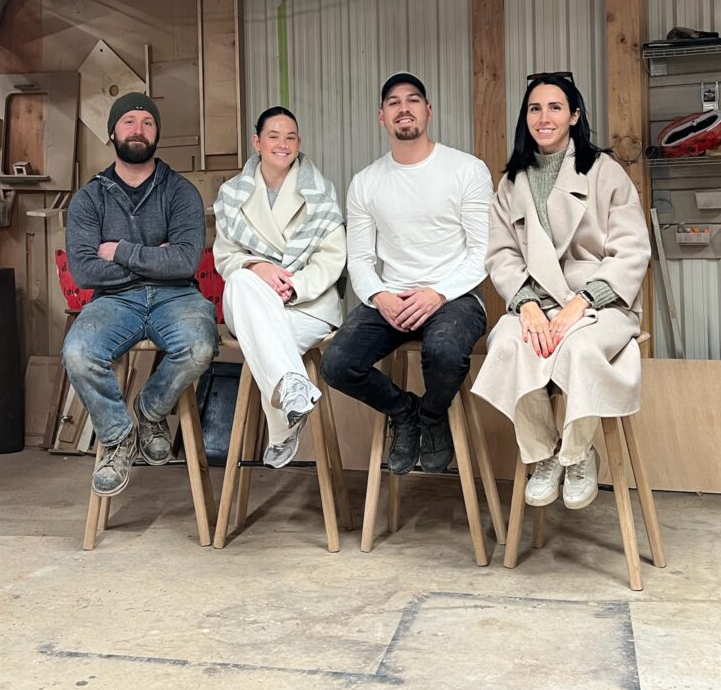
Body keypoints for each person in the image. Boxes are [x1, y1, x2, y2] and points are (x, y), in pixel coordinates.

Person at [471, 73, 650, 510]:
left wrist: (583, 301)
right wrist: (525, 304)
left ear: (574, 115)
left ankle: (577, 454)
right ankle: (545, 452)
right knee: (508, 342)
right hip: (537, 300)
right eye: (535, 108)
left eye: (555, 107)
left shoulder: (604, 172)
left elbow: (631, 250)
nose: (544, 117)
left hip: (603, 301)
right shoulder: (512, 182)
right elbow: (501, 254)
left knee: (578, 347)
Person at [321, 73, 492, 475]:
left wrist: (438, 293)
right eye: (394, 102)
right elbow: (360, 259)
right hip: (392, 296)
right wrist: (380, 296)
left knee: (444, 351)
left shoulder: (467, 170)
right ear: (382, 117)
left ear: (428, 111)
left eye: (413, 100)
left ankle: (433, 416)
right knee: (337, 364)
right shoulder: (366, 182)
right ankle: (406, 412)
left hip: (454, 296)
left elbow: (483, 251)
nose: (404, 108)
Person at [62, 92, 218, 496]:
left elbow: (184, 262)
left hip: (177, 297)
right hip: (114, 300)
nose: (138, 129)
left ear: (157, 133)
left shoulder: (180, 192)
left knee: (200, 347)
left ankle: (150, 410)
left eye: (147, 122)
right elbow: (85, 271)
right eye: (128, 121)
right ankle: (118, 437)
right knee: (78, 353)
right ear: (113, 132)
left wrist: (120, 250)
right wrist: (155, 257)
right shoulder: (89, 198)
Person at [213, 107, 346, 468]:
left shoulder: (320, 191)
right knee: (240, 278)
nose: (282, 144)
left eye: (290, 137)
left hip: (307, 302)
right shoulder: (232, 194)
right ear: (257, 142)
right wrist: (258, 267)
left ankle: (286, 415)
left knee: (266, 339)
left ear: (299, 143)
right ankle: (292, 390)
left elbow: (332, 257)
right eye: (273, 136)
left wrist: (294, 285)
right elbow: (226, 256)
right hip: (250, 299)